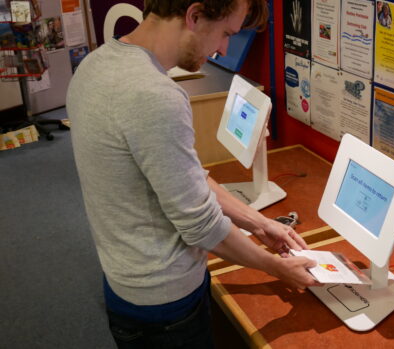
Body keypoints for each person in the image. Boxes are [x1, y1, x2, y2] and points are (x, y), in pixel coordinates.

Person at [66, 1, 318, 347]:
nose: (224, 49)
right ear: (194, 15)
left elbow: (187, 175)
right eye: (226, 33)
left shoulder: (94, 64)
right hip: (165, 303)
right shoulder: (154, 95)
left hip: (125, 281)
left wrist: (260, 224)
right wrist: (275, 267)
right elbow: (201, 225)